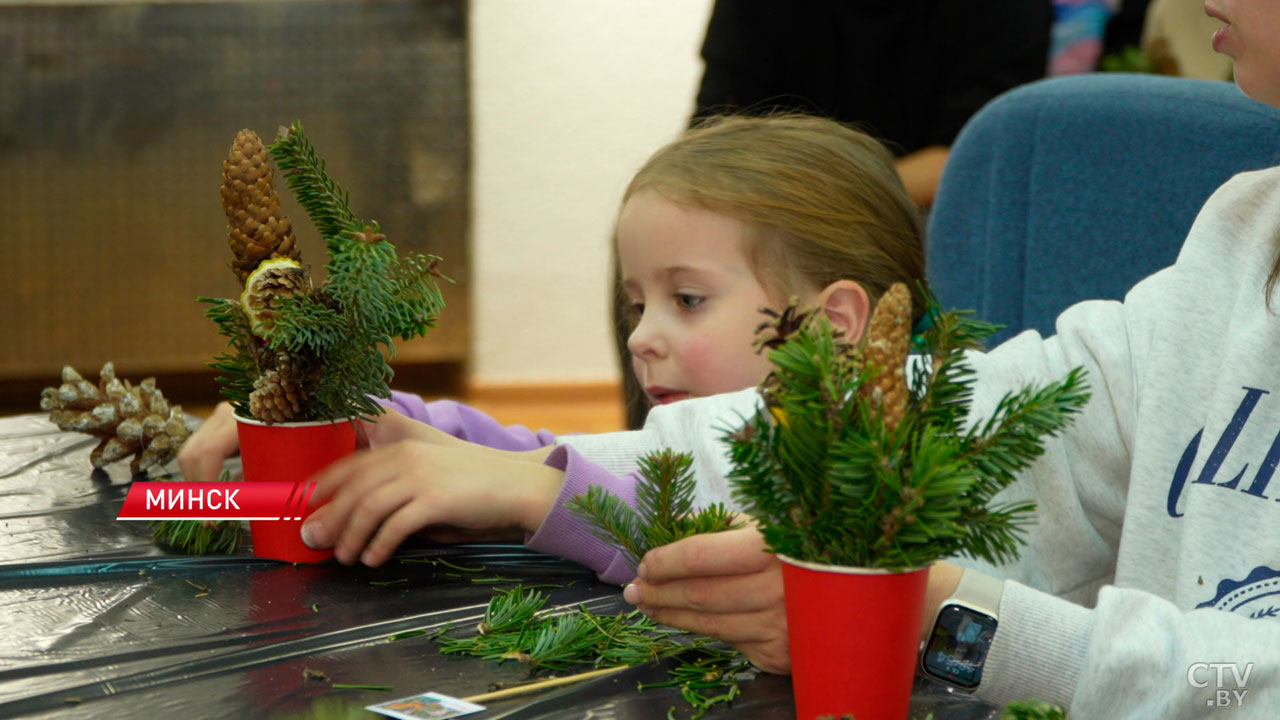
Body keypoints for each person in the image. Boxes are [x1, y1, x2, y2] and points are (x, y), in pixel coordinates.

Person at [619, 1, 1280, 714]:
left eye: (688, 299)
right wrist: (541, 474)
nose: (639, 339)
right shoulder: (1239, 231)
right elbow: (980, 425)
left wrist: (931, 616)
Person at [177, 113, 928, 573]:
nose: (641, 338)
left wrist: (524, 490)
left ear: (833, 328)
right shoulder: (697, 441)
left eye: (687, 300)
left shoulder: (878, 482)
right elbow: (560, 454)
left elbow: (700, 535)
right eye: (636, 304)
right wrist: (393, 422)